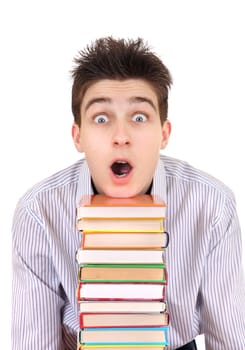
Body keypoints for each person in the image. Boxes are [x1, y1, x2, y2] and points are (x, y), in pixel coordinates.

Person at [12, 37, 245, 350]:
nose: (121, 137)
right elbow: (33, 342)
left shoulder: (212, 205)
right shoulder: (38, 212)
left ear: (163, 133)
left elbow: (229, 338)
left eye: (139, 117)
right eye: (101, 118)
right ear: (78, 136)